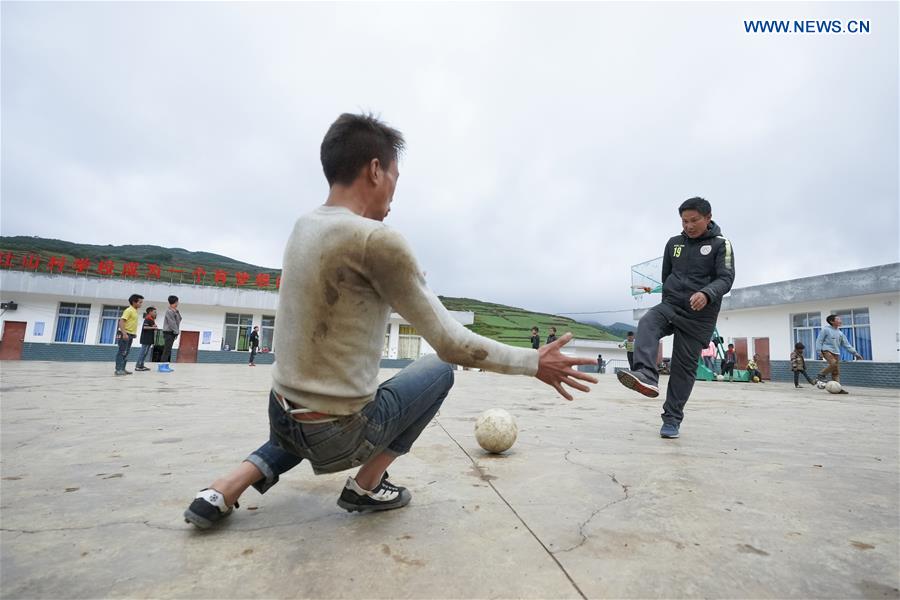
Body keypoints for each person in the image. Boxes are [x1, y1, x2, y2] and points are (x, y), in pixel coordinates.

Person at [183, 113, 598, 529]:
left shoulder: (304, 225)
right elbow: (452, 345)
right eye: (396, 176)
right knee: (438, 371)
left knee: (311, 403)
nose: (395, 190)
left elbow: (343, 302)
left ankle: (224, 488)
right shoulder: (378, 239)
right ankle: (367, 484)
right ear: (375, 169)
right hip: (338, 433)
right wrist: (533, 363)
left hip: (280, 413)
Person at [616, 197, 735, 439]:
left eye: (694, 220)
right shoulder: (674, 244)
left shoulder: (721, 245)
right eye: (684, 221)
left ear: (708, 217)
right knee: (648, 322)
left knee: (683, 369)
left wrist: (706, 293)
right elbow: (666, 275)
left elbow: (726, 278)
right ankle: (647, 375)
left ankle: (671, 419)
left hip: (699, 316)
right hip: (671, 306)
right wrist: (671, 297)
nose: (688, 226)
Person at [815, 314, 862, 394]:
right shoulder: (825, 330)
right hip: (826, 350)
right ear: (832, 321)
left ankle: (838, 389)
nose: (840, 320)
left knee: (836, 372)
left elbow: (847, 345)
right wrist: (819, 351)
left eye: (840, 319)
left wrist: (855, 353)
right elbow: (819, 340)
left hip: (836, 353)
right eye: (838, 319)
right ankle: (821, 374)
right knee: (833, 363)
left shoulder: (840, 333)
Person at [114, 294, 143, 376]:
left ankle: (123, 368)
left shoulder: (135, 311)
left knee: (126, 352)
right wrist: (124, 333)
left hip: (130, 334)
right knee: (122, 351)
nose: (141, 304)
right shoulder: (129, 310)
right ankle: (118, 369)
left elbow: (131, 323)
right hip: (125, 334)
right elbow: (121, 321)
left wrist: (134, 334)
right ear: (134, 302)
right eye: (140, 302)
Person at [160, 295, 181, 373]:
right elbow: (172, 323)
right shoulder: (169, 311)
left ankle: (166, 365)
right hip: (169, 332)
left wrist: (177, 312)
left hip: (172, 332)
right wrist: (176, 332)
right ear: (175, 302)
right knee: (166, 350)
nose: (178, 303)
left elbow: (179, 319)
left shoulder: (174, 311)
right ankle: (162, 366)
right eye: (177, 301)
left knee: (168, 350)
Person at [134, 306, 157, 372]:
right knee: (143, 352)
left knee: (145, 353)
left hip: (149, 339)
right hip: (146, 339)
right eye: (154, 312)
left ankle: (141, 365)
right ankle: (138, 366)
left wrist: (154, 327)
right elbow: (145, 327)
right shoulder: (147, 318)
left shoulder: (152, 319)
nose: (155, 313)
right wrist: (153, 327)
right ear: (150, 312)